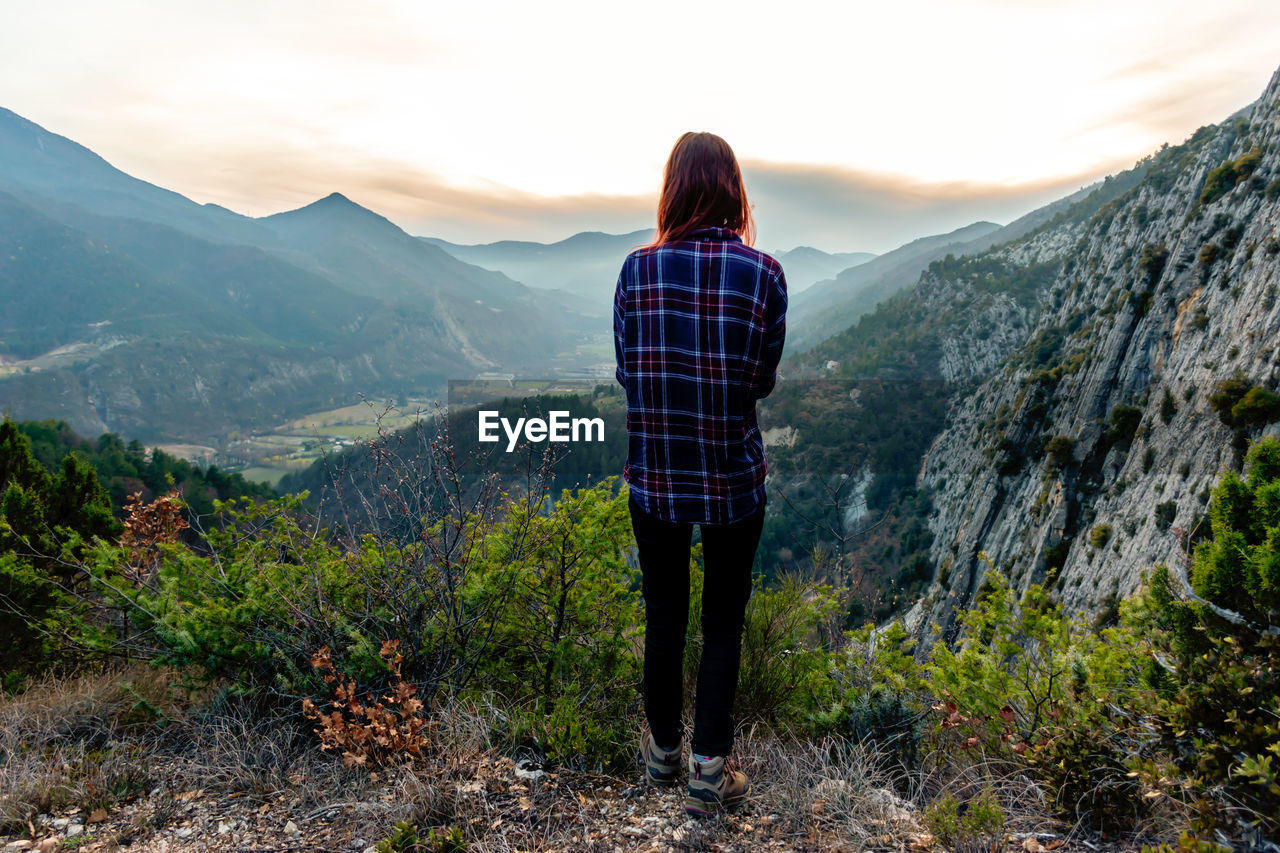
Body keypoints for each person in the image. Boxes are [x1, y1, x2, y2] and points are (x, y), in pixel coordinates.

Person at [613, 131, 787, 816]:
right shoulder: (764, 273)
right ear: (733, 191)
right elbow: (761, 381)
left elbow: (630, 375)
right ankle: (710, 769)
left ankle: (661, 753)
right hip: (731, 476)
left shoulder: (635, 270)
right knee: (722, 623)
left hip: (655, 473)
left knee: (664, 613)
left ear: (673, 190)